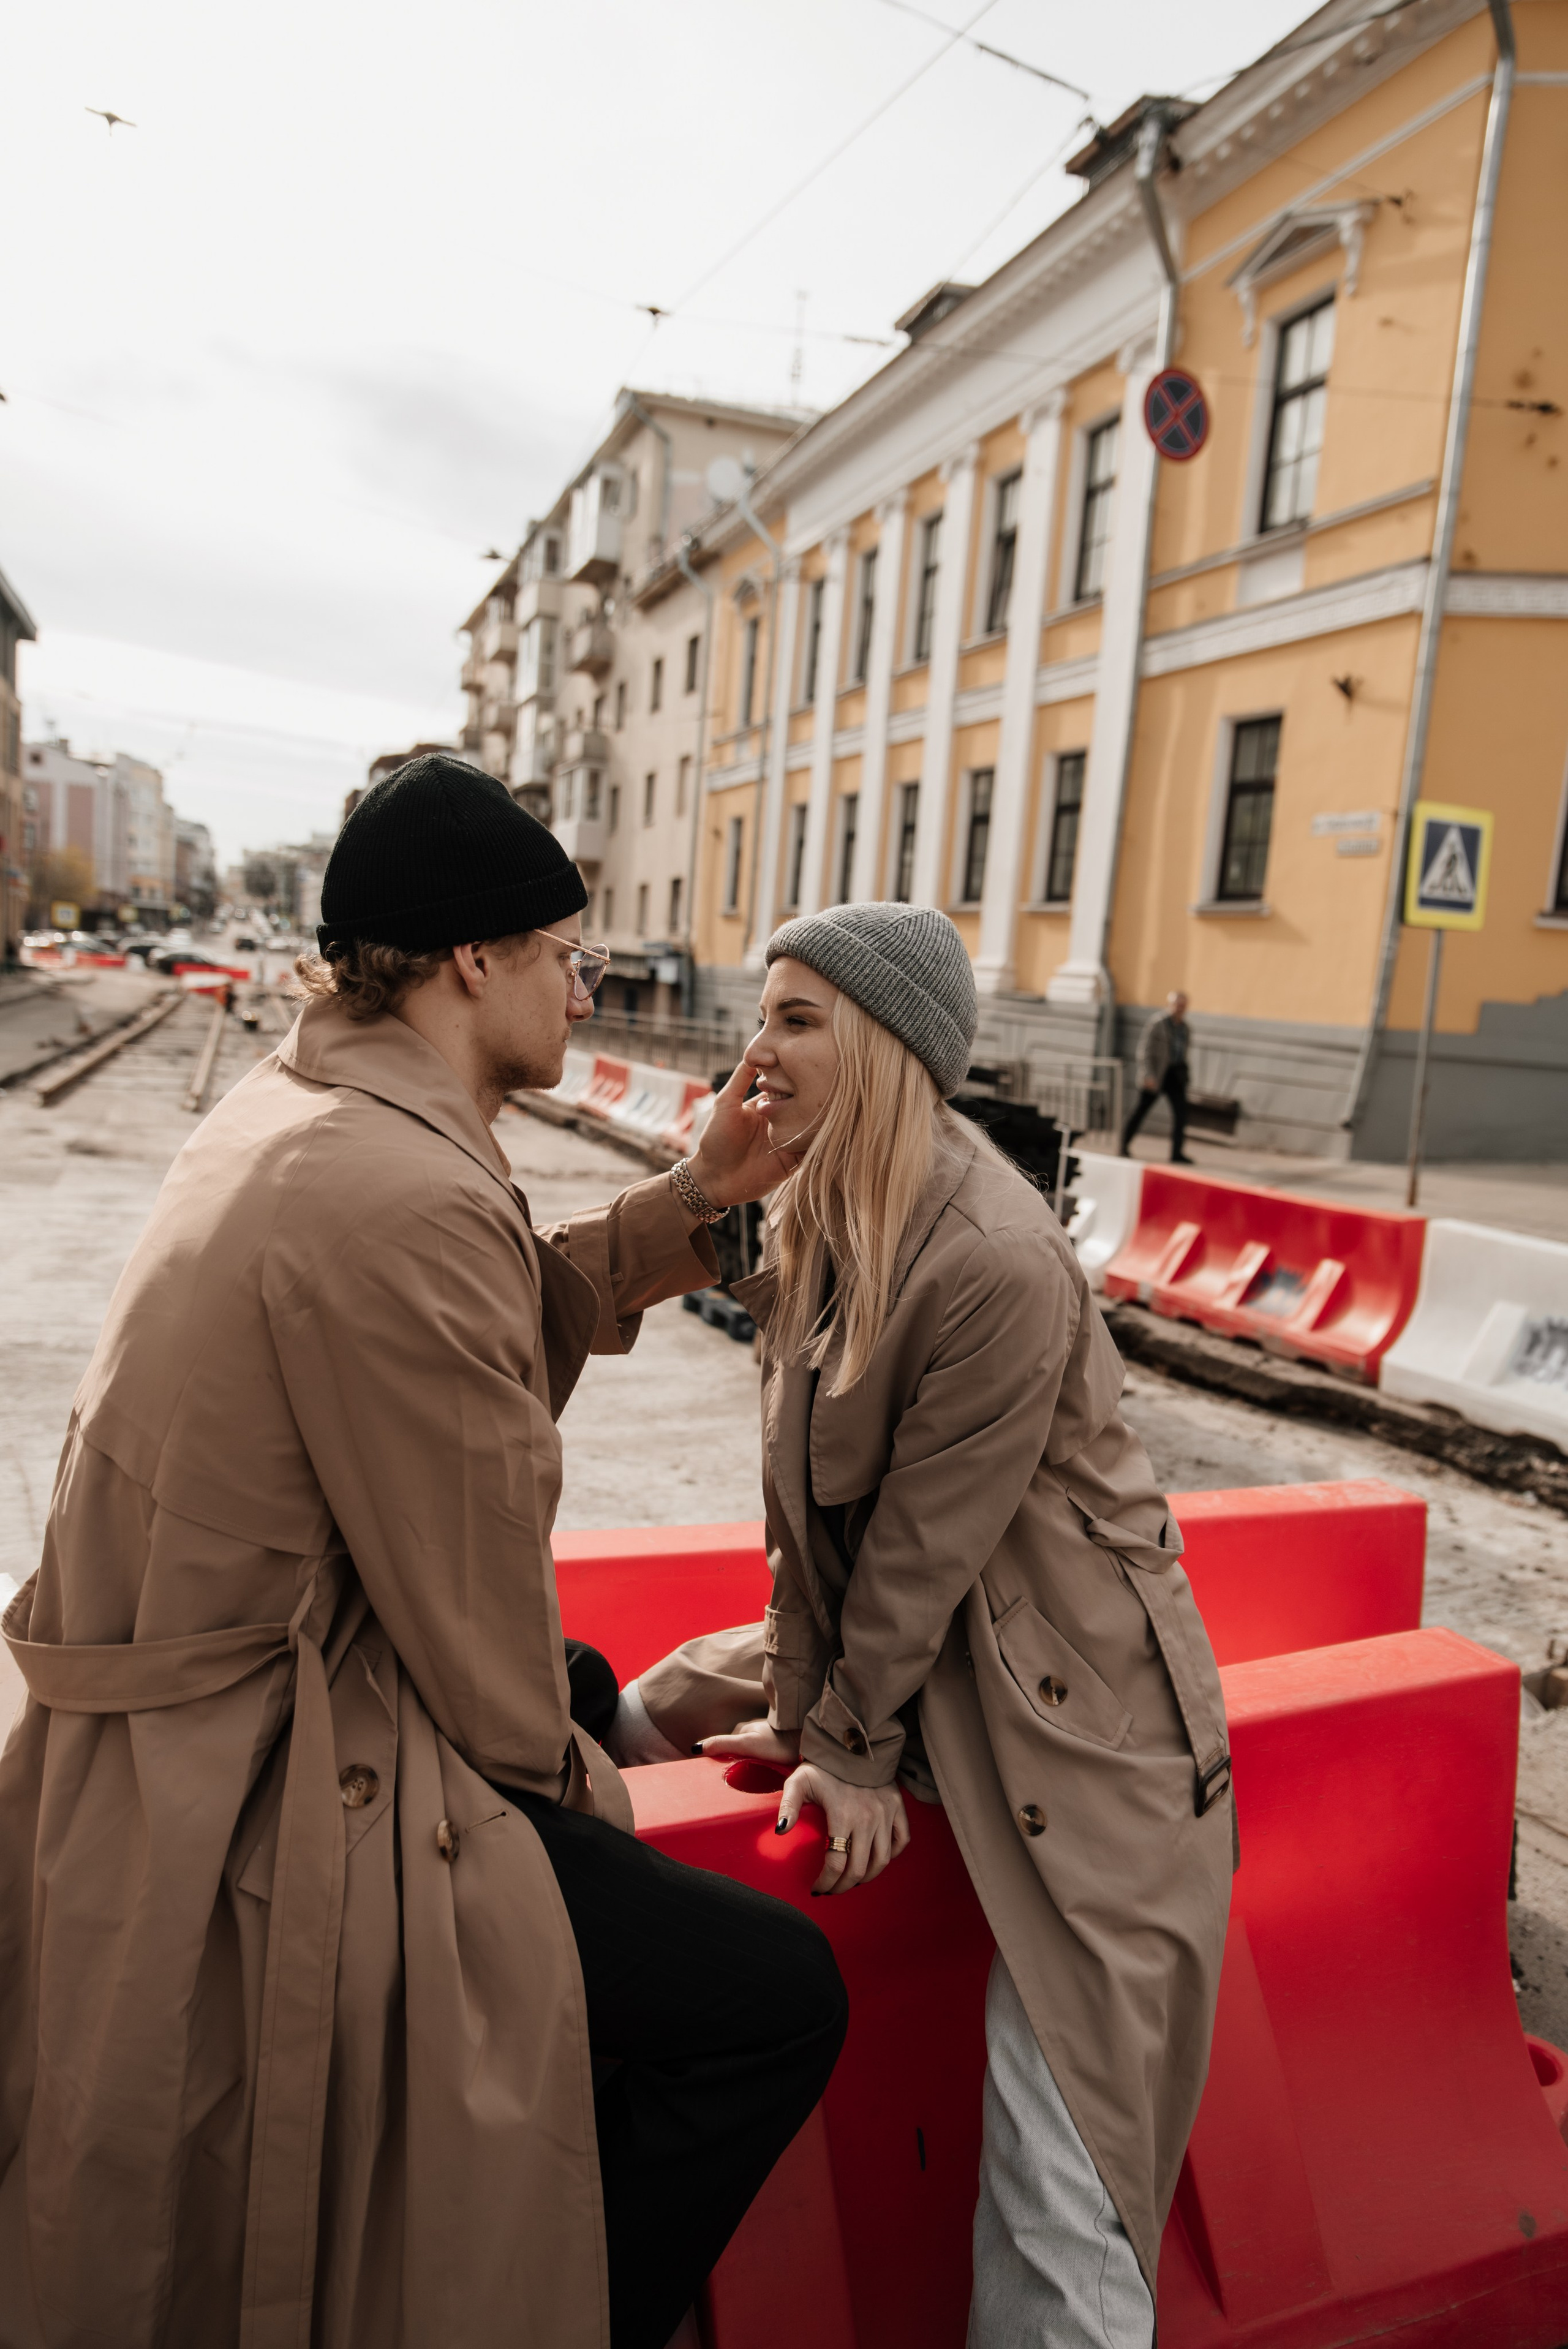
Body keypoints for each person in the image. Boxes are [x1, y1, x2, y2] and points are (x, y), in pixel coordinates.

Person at [0, 756, 846, 2349]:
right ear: (475, 958)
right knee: (770, 1998)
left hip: (178, 1732)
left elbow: (477, 1326)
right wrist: (600, 1805)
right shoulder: (400, 1189)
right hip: (263, 1782)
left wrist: (697, 1199)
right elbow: (480, 1651)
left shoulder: (309, 1101)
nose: (584, 990)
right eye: (565, 954)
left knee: (596, 1701)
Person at [612, 904, 1234, 2348]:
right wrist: (810, 1695)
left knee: (1056, 2172)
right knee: (644, 1701)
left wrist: (845, 1738)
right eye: (760, 1013)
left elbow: (918, 1548)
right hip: (936, 1655)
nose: (752, 1048)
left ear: (889, 1047)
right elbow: (803, 1510)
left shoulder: (995, 1259)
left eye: (795, 1019)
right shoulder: (829, 1199)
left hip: (1087, 1733)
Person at [1120, 989, 1193, 1163]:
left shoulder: (1186, 1029)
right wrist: (1148, 1074)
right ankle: (1123, 1145)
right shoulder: (1158, 1023)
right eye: (1177, 1005)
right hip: (1157, 1075)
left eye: (1183, 1006)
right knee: (1141, 1110)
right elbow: (1144, 1051)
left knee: (1181, 1114)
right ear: (1170, 1005)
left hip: (1175, 1075)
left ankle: (1177, 1153)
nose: (1180, 1009)